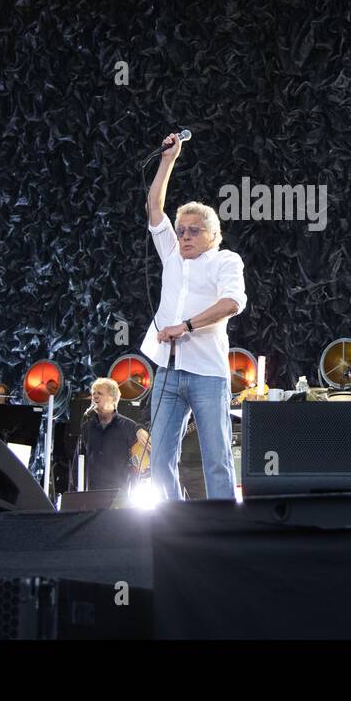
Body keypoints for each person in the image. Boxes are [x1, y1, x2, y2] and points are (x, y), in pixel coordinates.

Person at [142, 132, 247, 500]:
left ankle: (223, 524)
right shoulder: (171, 254)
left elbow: (232, 302)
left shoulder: (225, 260)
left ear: (213, 234)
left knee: (216, 456)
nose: (184, 235)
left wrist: (184, 326)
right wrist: (168, 160)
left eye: (193, 231)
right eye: (181, 229)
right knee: (159, 459)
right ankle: (171, 524)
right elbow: (155, 207)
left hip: (208, 371)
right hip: (168, 371)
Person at [73, 378, 151, 491]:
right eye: (93, 393)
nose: (95, 397)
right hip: (92, 492)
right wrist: (77, 486)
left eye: (100, 393)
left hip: (121, 493)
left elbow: (140, 462)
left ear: (113, 399)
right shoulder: (86, 427)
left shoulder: (129, 426)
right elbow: (78, 461)